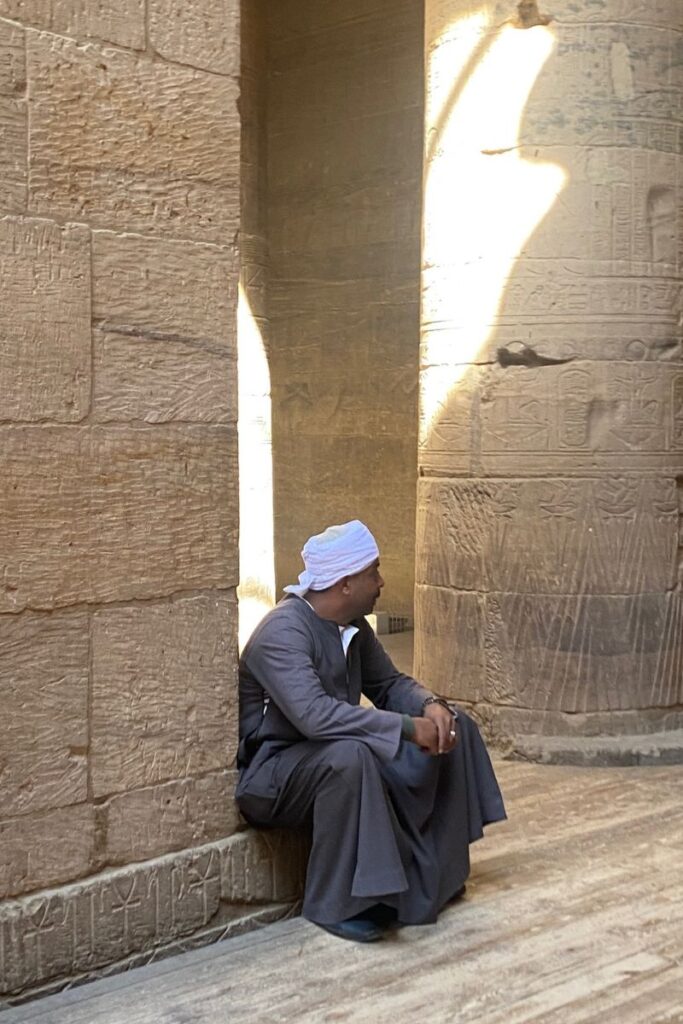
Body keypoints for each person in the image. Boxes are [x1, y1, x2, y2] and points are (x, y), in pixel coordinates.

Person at [236, 520, 506, 942]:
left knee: (455, 727)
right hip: (274, 775)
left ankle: (433, 880)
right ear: (345, 583)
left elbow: (388, 684)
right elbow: (316, 717)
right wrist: (403, 728)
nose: (381, 582)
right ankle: (337, 903)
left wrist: (429, 706)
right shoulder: (283, 632)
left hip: (335, 753)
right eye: (373, 572)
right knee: (351, 757)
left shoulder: (354, 628)